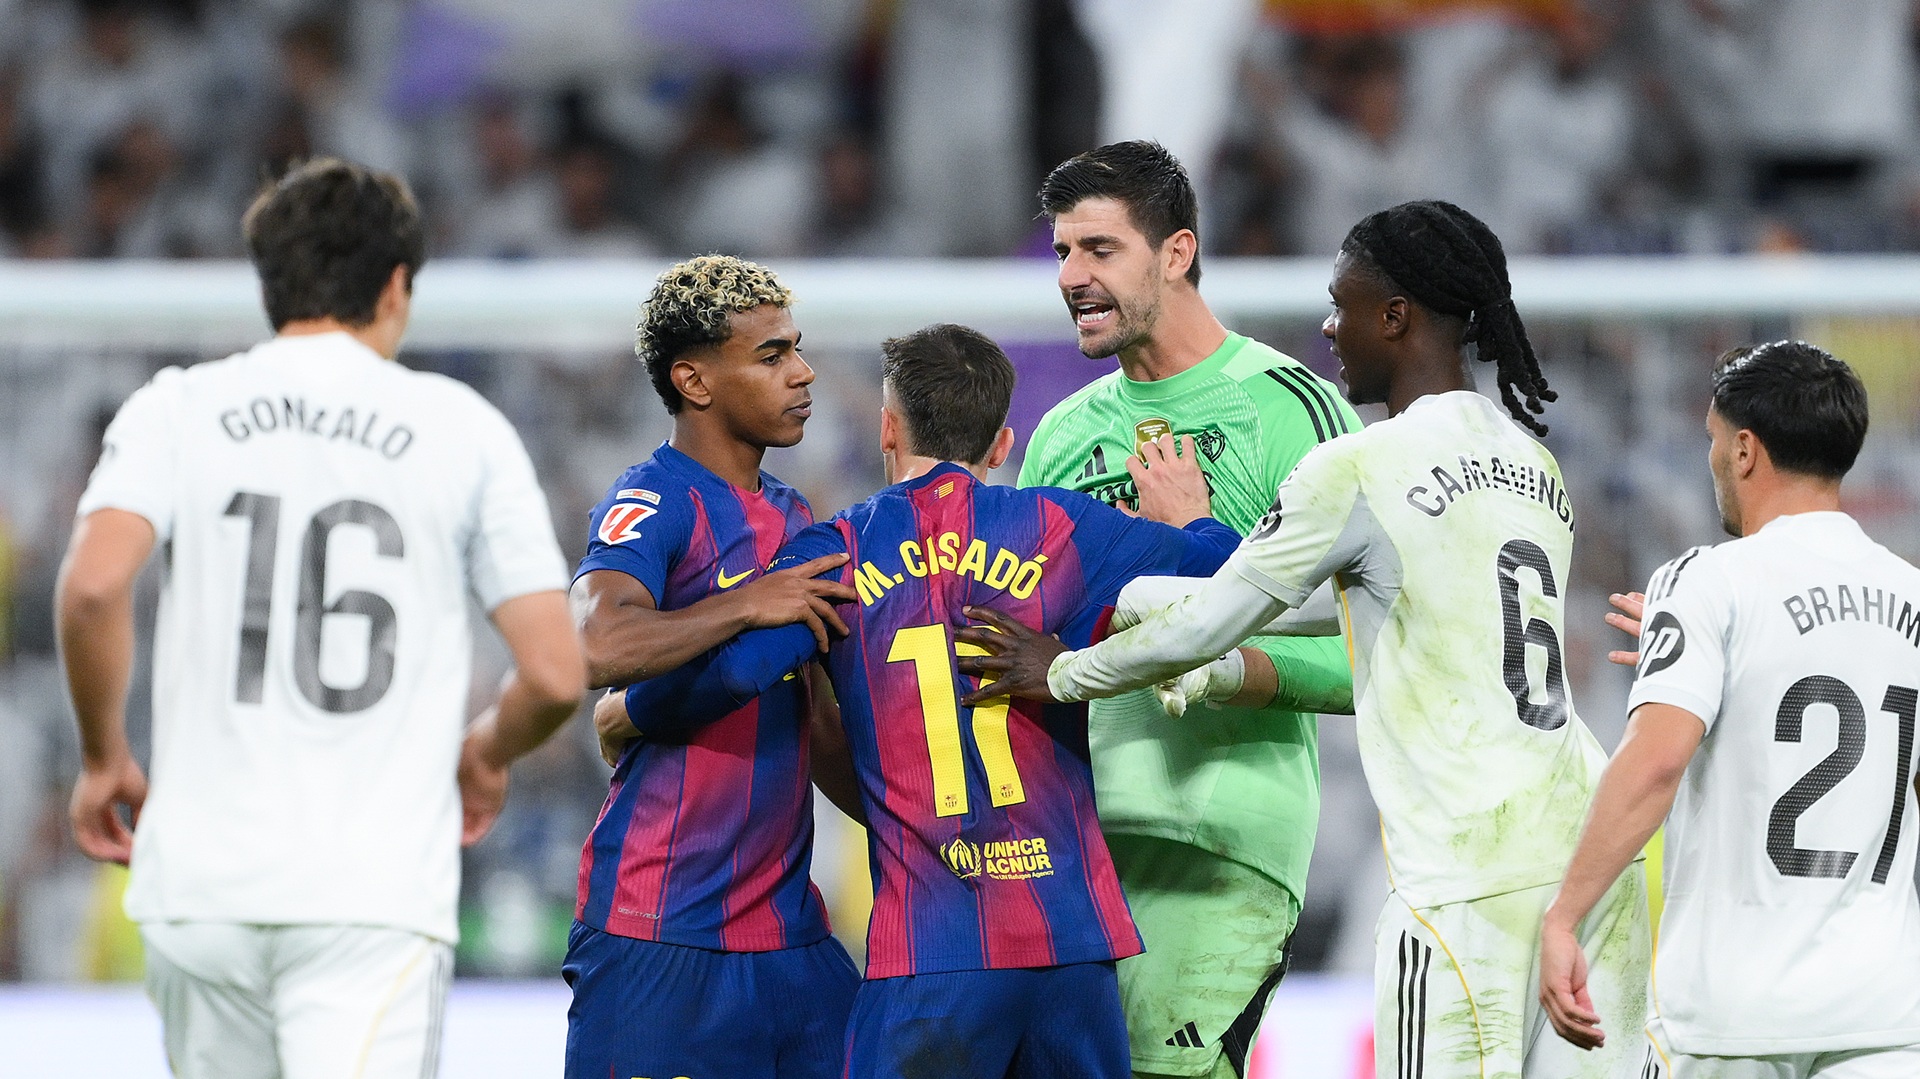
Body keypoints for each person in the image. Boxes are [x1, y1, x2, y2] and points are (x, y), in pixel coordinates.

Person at [959, 200, 1652, 1079]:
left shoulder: (1359, 464)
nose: (1329, 326)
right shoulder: (1534, 465)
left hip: (1462, 874)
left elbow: (1221, 615)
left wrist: (1062, 669)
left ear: (1394, 316)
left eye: (1342, 302)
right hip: (1585, 860)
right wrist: (1141, 601)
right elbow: (1347, 606)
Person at [594, 322, 1243, 1078]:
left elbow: (735, 675)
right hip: (1073, 943)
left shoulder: (834, 550)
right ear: (1001, 445)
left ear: (888, 428)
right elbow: (1230, 576)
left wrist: (631, 709)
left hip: (931, 951)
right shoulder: (1061, 528)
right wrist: (1191, 514)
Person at [57, 156, 585, 1078]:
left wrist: (105, 757)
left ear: (270, 285)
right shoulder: (460, 428)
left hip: (201, 890)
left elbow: (94, 585)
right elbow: (553, 672)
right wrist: (487, 752)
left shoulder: (178, 406)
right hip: (369, 894)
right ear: (395, 286)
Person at [1023, 139, 1357, 1079]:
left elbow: (1378, 652)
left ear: (1176, 252)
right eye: (1062, 253)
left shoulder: (1292, 409)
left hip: (1223, 846)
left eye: (1099, 249)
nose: (1073, 277)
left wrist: (1220, 656)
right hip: (1074, 857)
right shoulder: (1062, 435)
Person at [1541, 342, 1920, 1078]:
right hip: (1885, 1015)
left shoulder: (1708, 579)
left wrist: (1564, 916)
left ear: (1745, 450)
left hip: (1733, 1019)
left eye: (1713, 440)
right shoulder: (1912, 594)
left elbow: (1655, 762)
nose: (1711, 459)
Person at [561, 254, 862, 1079]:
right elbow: (593, 645)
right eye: (771, 355)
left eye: (796, 349)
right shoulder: (653, 498)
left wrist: (914, 832)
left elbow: (818, 721)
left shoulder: (795, 515)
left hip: (790, 935)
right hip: (660, 930)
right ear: (694, 380)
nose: (802, 374)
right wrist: (743, 602)